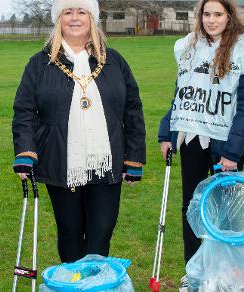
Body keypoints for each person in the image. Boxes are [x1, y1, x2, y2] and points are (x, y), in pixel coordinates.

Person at [12, 0, 146, 263]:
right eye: (67, 12)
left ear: (92, 18)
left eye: (81, 11)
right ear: (58, 19)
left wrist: (134, 157)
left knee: (101, 232)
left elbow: (133, 110)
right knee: (70, 232)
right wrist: (25, 151)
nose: (75, 18)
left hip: (106, 165)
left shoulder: (114, 60)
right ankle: (72, 282)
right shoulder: (40, 64)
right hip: (61, 162)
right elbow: (24, 110)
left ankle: (94, 283)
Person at [157, 0, 244, 288]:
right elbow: (182, 93)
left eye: (218, 14)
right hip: (192, 137)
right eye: (206, 14)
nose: (211, 20)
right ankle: (193, 270)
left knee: (225, 211)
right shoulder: (189, 47)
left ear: (230, 16)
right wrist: (166, 132)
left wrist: (233, 150)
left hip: (224, 143)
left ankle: (226, 273)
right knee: (191, 206)